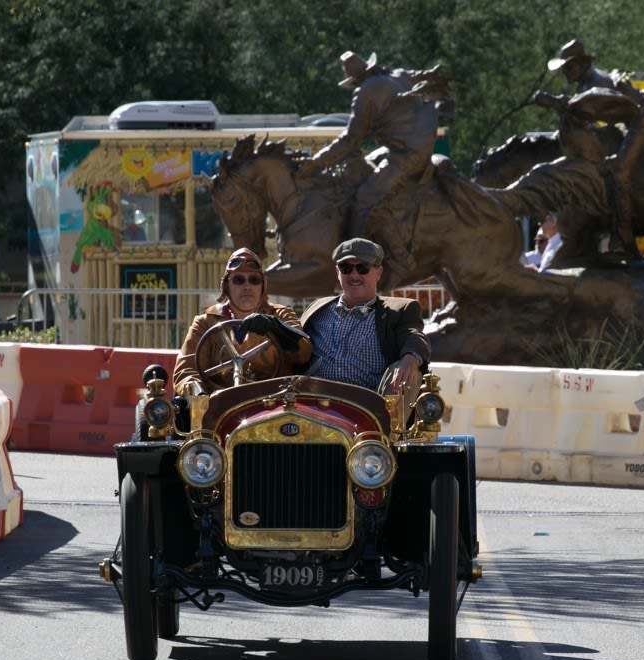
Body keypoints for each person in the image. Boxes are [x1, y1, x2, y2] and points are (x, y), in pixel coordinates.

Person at [297, 51, 443, 285]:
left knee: (365, 196)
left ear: (356, 78)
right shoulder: (397, 75)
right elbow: (421, 76)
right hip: (414, 147)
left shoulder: (366, 91)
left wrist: (315, 162)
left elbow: (351, 139)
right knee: (368, 169)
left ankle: (360, 261)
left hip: (405, 155)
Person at [301, 238, 429, 407]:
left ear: (378, 272)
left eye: (363, 268)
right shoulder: (318, 309)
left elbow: (413, 335)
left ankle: (390, 431)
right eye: (346, 268)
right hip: (314, 404)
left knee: (409, 374)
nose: (354, 275)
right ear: (337, 272)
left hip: (367, 411)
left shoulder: (398, 310)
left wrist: (411, 359)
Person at [173, 247, 312, 395]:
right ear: (226, 286)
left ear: (263, 285)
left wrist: (275, 327)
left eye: (254, 280)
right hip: (221, 405)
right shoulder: (205, 322)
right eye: (239, 280)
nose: (247, 286)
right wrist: (198, 393)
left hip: (273, 403)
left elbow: (304, 353)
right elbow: (186, 371)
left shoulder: (280, 315)